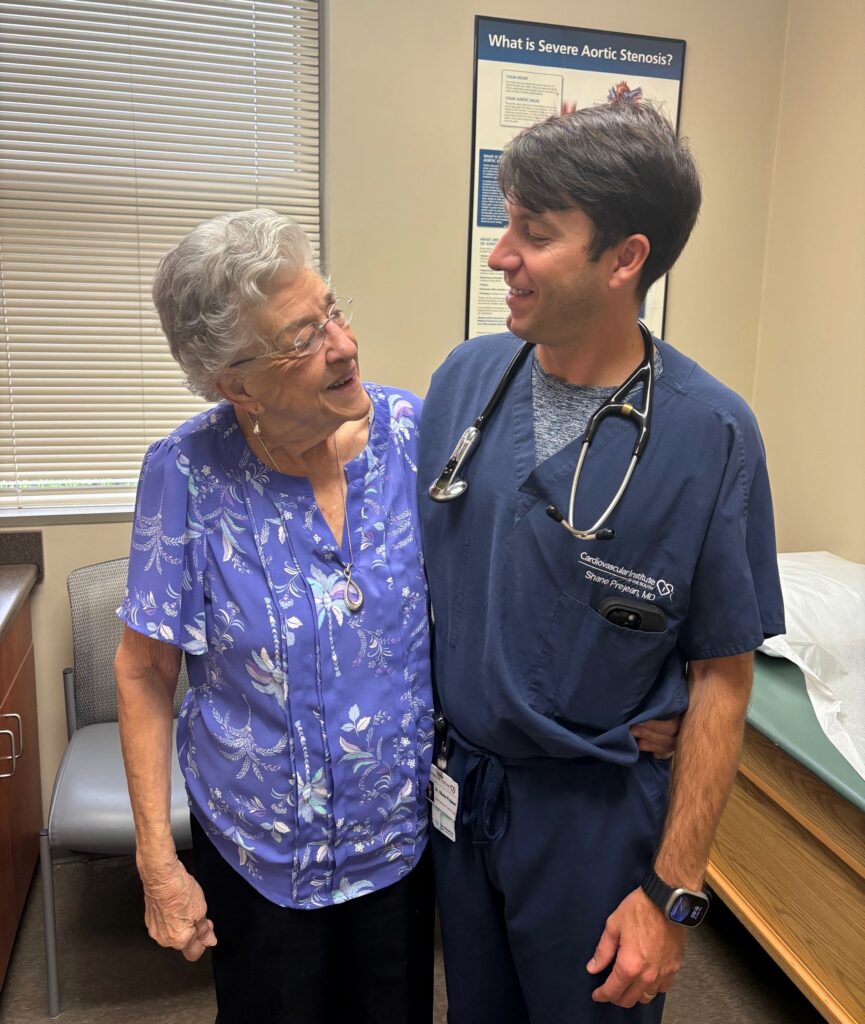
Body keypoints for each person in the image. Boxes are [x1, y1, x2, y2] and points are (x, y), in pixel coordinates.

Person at [418, 101, 785, 1023]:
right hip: (464, 801)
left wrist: (670, 896)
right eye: (506, 222)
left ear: (624, 259)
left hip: (595, 824)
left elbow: (721, 678)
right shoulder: (464, 380)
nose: (500, 253)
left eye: (533, 234)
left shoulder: (712, 433)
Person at [114, 209, 435, 1024]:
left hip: (397, 845)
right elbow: (145, 671)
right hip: (257, 854)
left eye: (332, 309)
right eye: (304, 337)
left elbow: (503, 585)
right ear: (237, 382)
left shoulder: (412, 436)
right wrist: (158, 861)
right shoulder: (186, 472)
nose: (344, 342)